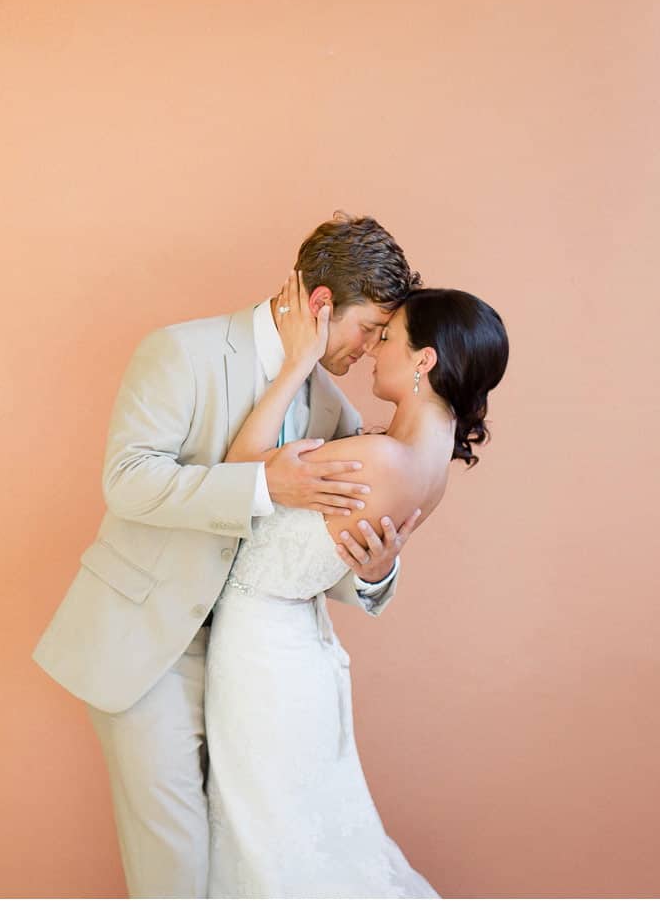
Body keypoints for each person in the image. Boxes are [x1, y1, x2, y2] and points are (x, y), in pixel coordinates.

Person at [32, 212, 423, 897]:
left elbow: (304, 551)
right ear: (323, 304)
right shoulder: (180, 351)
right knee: (177, 876)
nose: (371, 348)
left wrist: (374, 570)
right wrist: (261, 482)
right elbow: (127, 481)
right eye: (369, 328)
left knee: (235, 870)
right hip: (152, 651)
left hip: (259, 676)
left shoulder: (332, 408)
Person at [205, 282, 506, 896]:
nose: (374, 351)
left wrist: (296, 365)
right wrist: (373, 574)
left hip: (261, 654)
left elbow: (237, 476)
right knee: (291, 829)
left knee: (266, 839)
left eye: (389, 338)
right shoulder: (426, 467)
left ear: (425, 360)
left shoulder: (379, 458)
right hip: (298, 651)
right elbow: (341, 557)